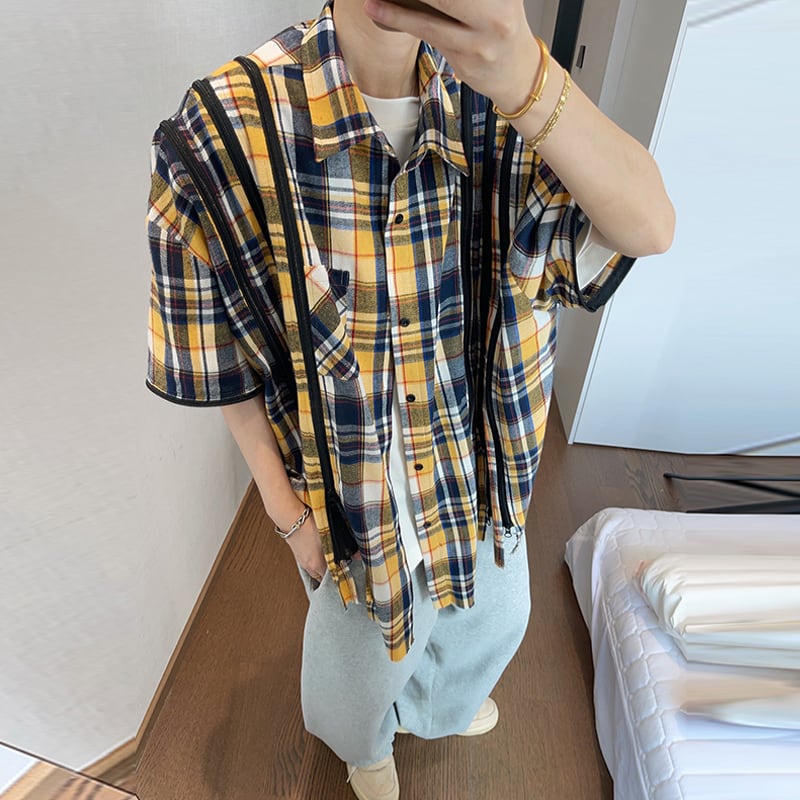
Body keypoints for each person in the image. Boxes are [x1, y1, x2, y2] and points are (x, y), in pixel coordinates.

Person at [146, 0, 674, 797]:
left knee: (492, 616)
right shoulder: (225, 127)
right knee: (359, 661)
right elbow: (219, 361)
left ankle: (438, 704)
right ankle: (363, 746)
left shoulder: (501, 103)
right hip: (356, 499)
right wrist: (288, 517)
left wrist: (525, 75)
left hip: (477, 465)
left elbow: (648, 227)